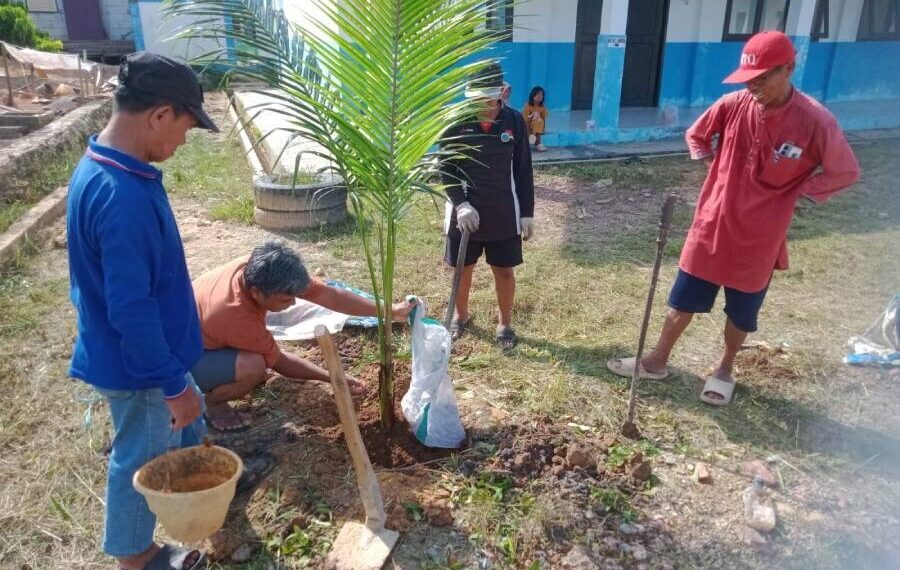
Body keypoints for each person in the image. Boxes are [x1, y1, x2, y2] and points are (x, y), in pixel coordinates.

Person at [606, 31, 859, 406]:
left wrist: (798, 195)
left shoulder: (815, 121)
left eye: (763, 79)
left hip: (760, 237)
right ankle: (657, 360)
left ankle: (724, 368)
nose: (754, 87)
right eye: (749, 80)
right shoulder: (733, 104)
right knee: (681, 301)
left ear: (789, 69)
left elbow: (844, 171)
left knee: (742, 311)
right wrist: (714, 166)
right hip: (712, 222)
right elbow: (697, 135)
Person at [67, 52, 218, 570]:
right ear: (159, 115)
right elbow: (131, 310)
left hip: (146, 357)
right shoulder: (120, 197)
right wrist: (169, 381)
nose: (181, 142)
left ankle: (205, 473)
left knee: (189, 418)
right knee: (140, 457)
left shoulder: (104, 168)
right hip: (143, 368)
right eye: (185, 128)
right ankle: (137, 556)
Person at [191, 241, 417, 431]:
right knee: (254, 366)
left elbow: (330, 296)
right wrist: (333, 377)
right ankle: (211, 404)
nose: (293, 304)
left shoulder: (259, 269)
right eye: (285, 301)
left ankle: (223, 370)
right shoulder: (236, 315)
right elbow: (280, 362)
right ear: (256, 293)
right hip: (181, 361)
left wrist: (390, 310)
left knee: (257, 355)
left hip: (201, 332)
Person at [441, 63, 535, 350]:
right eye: (475, 100)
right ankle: (461, 316)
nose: (481, 106)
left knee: (504, 271)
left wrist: (527, 213)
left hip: (503, 210)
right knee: (462, 269)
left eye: (487, 99)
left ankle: (504, 323)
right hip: (465, 210)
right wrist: (461, 204)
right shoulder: (456, 122)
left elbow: (522, 169)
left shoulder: (514, 121)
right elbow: (446, 168)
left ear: (502, 93)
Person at [523, 86, 548, 152]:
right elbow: (524, 120)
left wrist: (543, 130)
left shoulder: (542, 107)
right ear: (533, 95)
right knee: (536, 117)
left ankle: (537, 141)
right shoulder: (527, 105)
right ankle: (537, 142)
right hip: (528, 126)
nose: (540, 96)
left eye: (541, 94)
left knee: (539, 120)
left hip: (537, 127)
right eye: (537, 94)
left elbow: (543, 119)